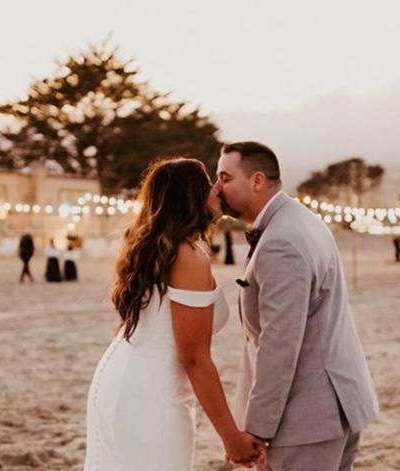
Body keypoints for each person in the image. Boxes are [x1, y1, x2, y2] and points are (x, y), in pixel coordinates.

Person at [84, 158, 266, 471]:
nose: (216, 191)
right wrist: (230, 437)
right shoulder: (186, 255)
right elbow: (194, 357)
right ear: (191, 195)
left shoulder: (157, 247)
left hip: (121, 377)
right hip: (150, 392)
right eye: (209, 184)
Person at [216, 141, 379, 471]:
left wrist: (258, 429)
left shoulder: (281, 241)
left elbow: (280, 342)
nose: (217, 189)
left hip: (307, 417)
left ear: (257, 180)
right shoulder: (302, 219)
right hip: (336, 404)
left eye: (225, 178)